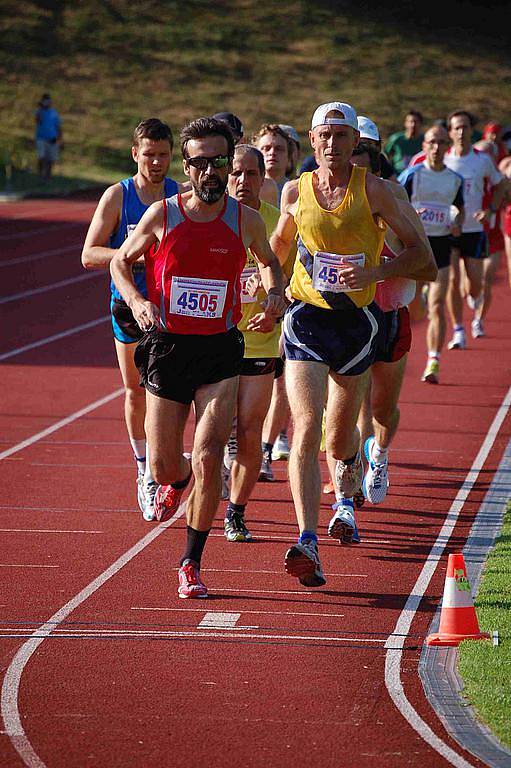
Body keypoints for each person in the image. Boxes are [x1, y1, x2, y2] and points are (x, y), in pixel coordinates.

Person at [110, 117, 286, 598]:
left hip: (220, 349)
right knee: (166, 465)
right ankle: (176, 477)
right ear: (187, 167)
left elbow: (270, 264)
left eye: (219, 162)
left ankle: (190, 561)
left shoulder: (244, 220)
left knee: (211, 456)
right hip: (168, 347)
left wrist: (274, 297)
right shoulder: (162, 215)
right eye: (200, 163)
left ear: (231, 165)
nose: (211, 172)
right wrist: (138, 301)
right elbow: (119, 261)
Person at [271, 102, 434, 587]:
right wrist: (271, 290)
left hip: (357, 325)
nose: (333, 144)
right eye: (325, 135)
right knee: (304, 429)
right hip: (305, 320)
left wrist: (376, 271)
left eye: (342, 136)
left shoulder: (379, 192)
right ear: (312, 139)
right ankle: (307, 539)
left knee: (340, 439)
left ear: (354, 143)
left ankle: (346, 494)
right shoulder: (294, 192)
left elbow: (424, 260)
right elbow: (278, 249)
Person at [82, 118, 181, 521]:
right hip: (127, 302)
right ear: (134, 153)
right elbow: (90, 254)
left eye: (163, 155)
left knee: (170, 391)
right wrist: (131, 253)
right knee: (135, 389)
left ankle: (166, 462)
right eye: (149, 155)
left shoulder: (179, 195)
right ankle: (144, 467)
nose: (155, 162)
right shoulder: (118, 196)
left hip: (170, 306)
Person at [223, 144, 283, 541]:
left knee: (249, 433)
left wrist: (278, 302)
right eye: (236, 174)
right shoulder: (208, 221)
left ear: (263, 179)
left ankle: (235, 511)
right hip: (216, 340)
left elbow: (297, 278)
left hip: (260, 343)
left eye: (251, 175)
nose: (243, 182)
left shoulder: (280, 224)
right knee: (211, 433)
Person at [398, 124, 465, 383]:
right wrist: (410, 216)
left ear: (448, 147)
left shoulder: (454, 179)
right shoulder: (411, 176)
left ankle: (433, 360)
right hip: (412, 247)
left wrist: (458, 221)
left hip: (440, 246)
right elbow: (395, 204)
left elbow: (459, 210)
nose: (436, 148)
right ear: (424, 146)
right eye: (432, 142)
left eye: (441, 143)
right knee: (414, 309)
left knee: (437, 305)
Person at [443, 110, 506, 348]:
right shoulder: (444, 160)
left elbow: (501, 184)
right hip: (448, 230)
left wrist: (490, 209)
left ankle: (475, 295)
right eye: (456, 127)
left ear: (471, 131)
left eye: (465, 127)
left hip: (474, 229)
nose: (460, 132)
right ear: (450, 132)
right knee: (451, 279)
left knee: (474, 284)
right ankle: (458, 330)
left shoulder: (482, 160)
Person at [213, 111, 279, 207]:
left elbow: (270, 218)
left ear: (243, 142)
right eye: (217, 142)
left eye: (231, 141)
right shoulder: (196, 186)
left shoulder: (266, 187)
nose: (224, 148)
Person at [253, 123, 292, 205]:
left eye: (279, 149)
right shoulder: (248, 190)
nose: (272, 153)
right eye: (266, 148)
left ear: (288, 157)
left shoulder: (297, 191)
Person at [384, 109, 424, 175]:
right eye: (410, 122)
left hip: (418, 176)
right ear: (405, 123)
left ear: (420, 124)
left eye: (416, 122)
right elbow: (385, 155)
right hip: (398, 176)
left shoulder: (425, 141)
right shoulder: (396, 139)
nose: (413, 125)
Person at [34, 94, 62, 180]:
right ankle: (40, 175)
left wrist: (60, 139)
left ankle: (48, 176)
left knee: (51, 159)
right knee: (41, 157)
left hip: (52, 139)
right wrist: (41, 108)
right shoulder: (39, 111)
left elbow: (58, 126)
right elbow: (37, 120)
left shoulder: (54, 113)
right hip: (41, 138)